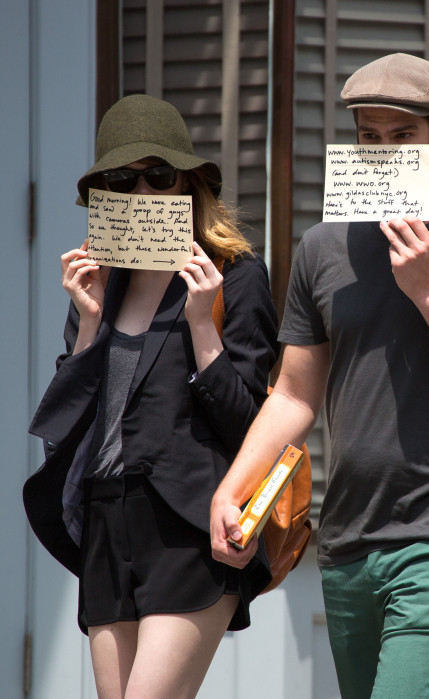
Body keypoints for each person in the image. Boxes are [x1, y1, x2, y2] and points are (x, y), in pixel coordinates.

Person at [210, 53, 429, 698]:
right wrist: (234, 488)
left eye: (404, 138)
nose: (385, 152)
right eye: (370, 138)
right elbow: (293, 394)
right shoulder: (322, 247)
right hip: (347, 541)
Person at [23, 94, 279, 699]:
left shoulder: (233, 275)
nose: (141, 193)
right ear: (101, 195)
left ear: (187, 186)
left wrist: (201, 324)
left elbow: (252, 422)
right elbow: (64, 429)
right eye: (121, 179)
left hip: (187, 519)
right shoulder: (100, 284)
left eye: (158, 176)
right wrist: (87, 325)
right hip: (105, 520)